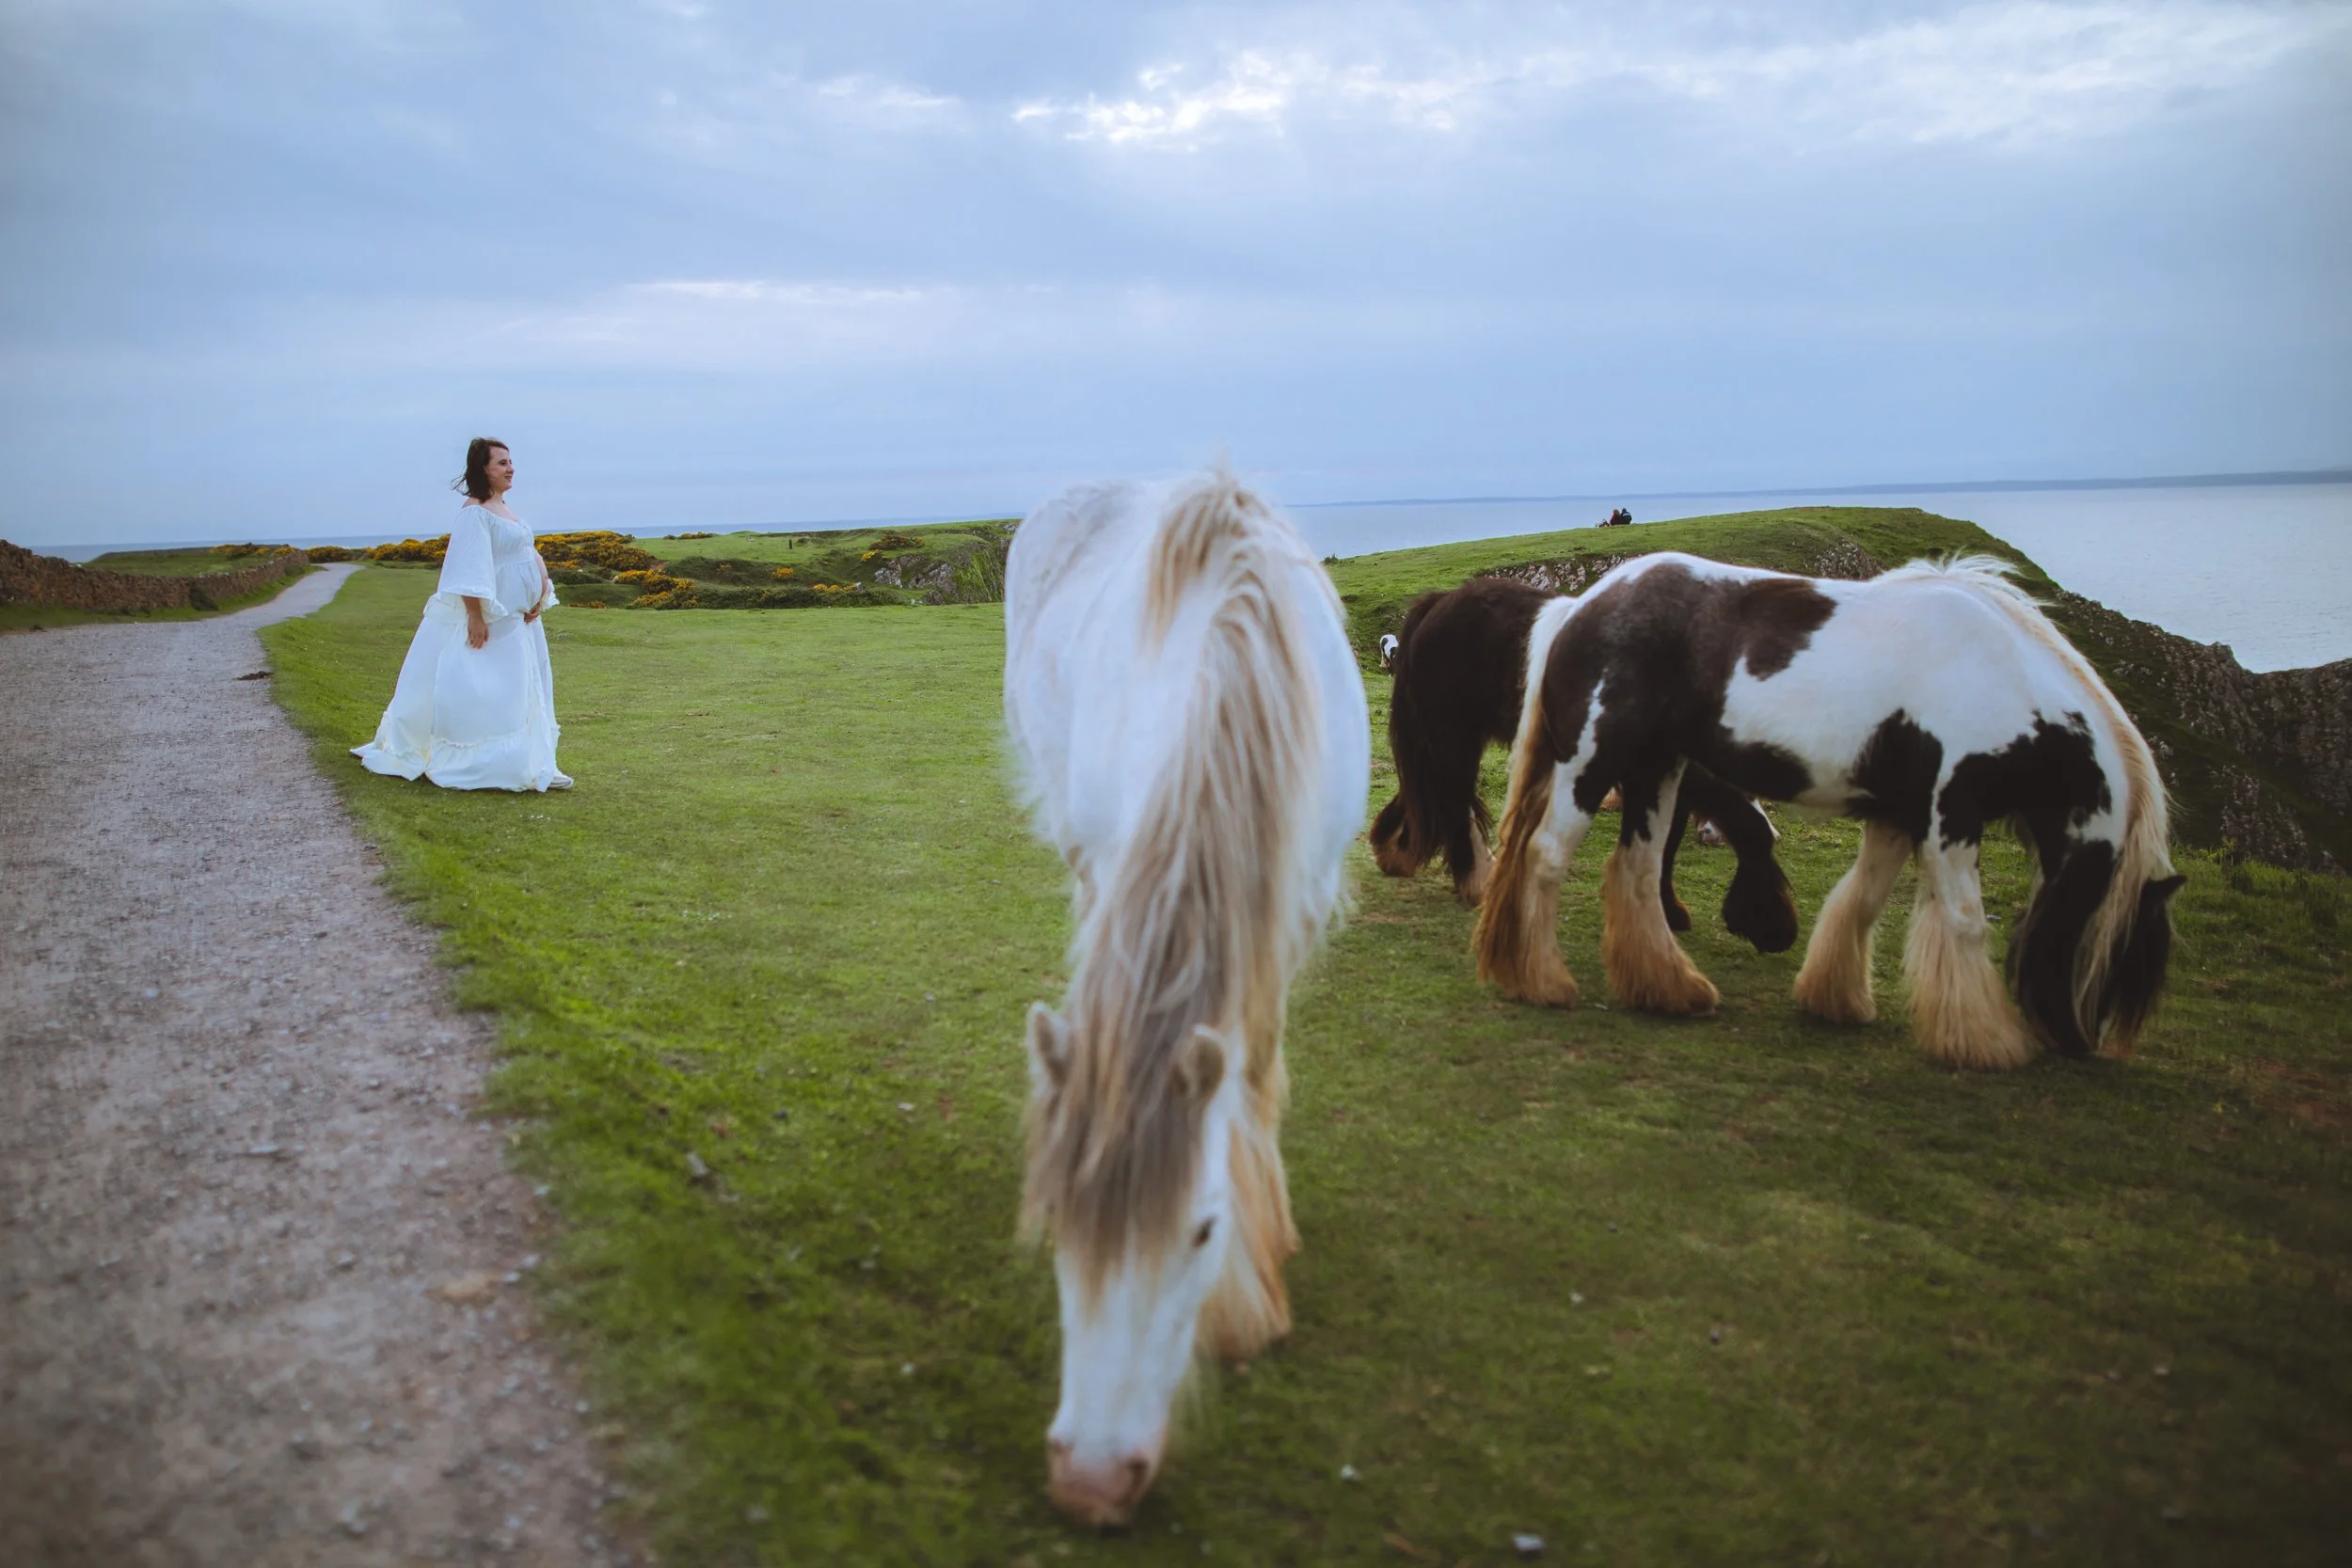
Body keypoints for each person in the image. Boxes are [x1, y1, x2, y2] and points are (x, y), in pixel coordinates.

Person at [352, 437, 572, 791]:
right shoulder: (475, 512)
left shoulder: (505, 507)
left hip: (521, 620)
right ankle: (483, 762)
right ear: (483, 469)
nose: (510, 467)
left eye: (510, 461)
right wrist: (475, 615)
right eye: (501, 462)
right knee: (491, 690)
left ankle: (529, 760)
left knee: (521, 690)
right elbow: (468, 567)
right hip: (496, 618)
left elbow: (525, 554)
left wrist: (541, 594)